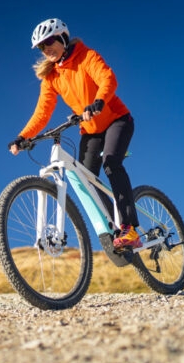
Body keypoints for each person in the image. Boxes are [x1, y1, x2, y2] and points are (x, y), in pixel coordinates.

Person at [9, 18, 142, 250]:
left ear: (62, 38)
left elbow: (107, 78)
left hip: (116, 120)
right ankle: (113, 226)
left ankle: (129, 228)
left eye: (49, 41)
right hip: (90, 130)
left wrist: (99, 102)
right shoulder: (51, 77)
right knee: (85, 180)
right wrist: (23, 136)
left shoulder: (86, 56)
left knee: (110, 163)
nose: (46, 48)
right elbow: (43, 111)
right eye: (42, 46)